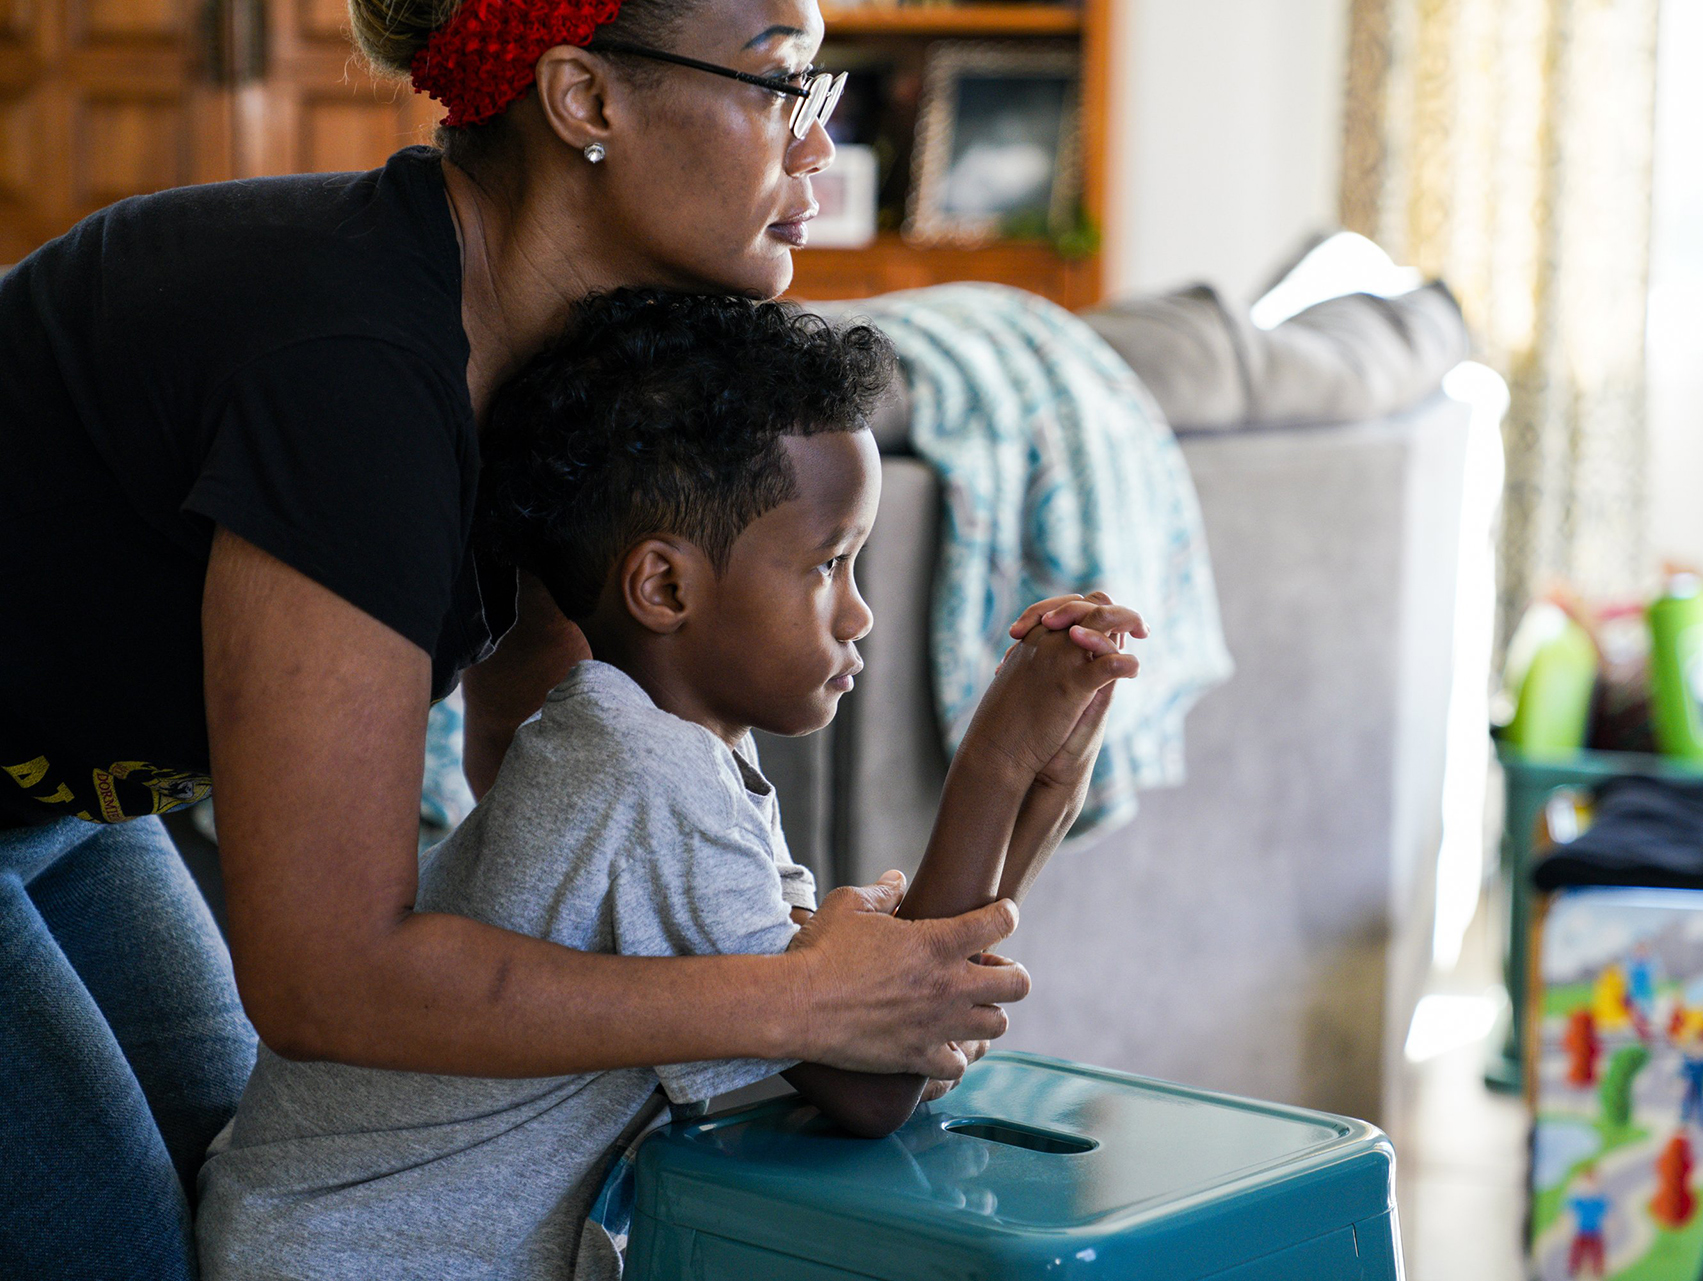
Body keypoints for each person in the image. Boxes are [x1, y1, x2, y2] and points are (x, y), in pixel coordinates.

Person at [0, 0, 1122, 1273]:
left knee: (222, 1188)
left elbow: (548, 769)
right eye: (781, 86)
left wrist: (826, 936)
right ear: (586, 100)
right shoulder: (352, 374)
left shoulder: (565, 361)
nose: (820, 144)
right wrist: (803, 997)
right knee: (114, 1251)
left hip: (64, 806)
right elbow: (325, 981)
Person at [196, 290, 1144, 1279]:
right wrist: (995, 766)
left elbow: (887, 1015)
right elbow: (869, 1083)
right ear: (664, 587)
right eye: (828, 564)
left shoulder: (652, 741)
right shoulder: (648, 776)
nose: (858, 613)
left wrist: (1045, 789)